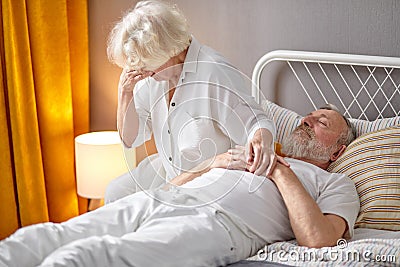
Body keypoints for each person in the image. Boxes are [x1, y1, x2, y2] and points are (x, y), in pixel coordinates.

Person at [0, 106, 360, 267]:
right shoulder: (253, 148)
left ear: (338, 149)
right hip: (166, 200)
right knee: (51, 235)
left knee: (92, 256)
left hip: (219, 224)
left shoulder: (334, 182)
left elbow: (319, 239)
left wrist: (281, 172)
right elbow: (172, 185)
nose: (307, 120)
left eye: (320, 121)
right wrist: (211, 163)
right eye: (308, 116)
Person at [104, 0, 277, 203]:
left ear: (168, 50)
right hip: (169, 173)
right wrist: (125, 92)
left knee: (149, 215)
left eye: (147, 65)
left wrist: (260, 141)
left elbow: (256, 123)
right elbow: (131, 139)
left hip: (207, 183)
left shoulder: (214, 72)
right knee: (115, 192)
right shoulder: (153, 75)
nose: (143, 72)